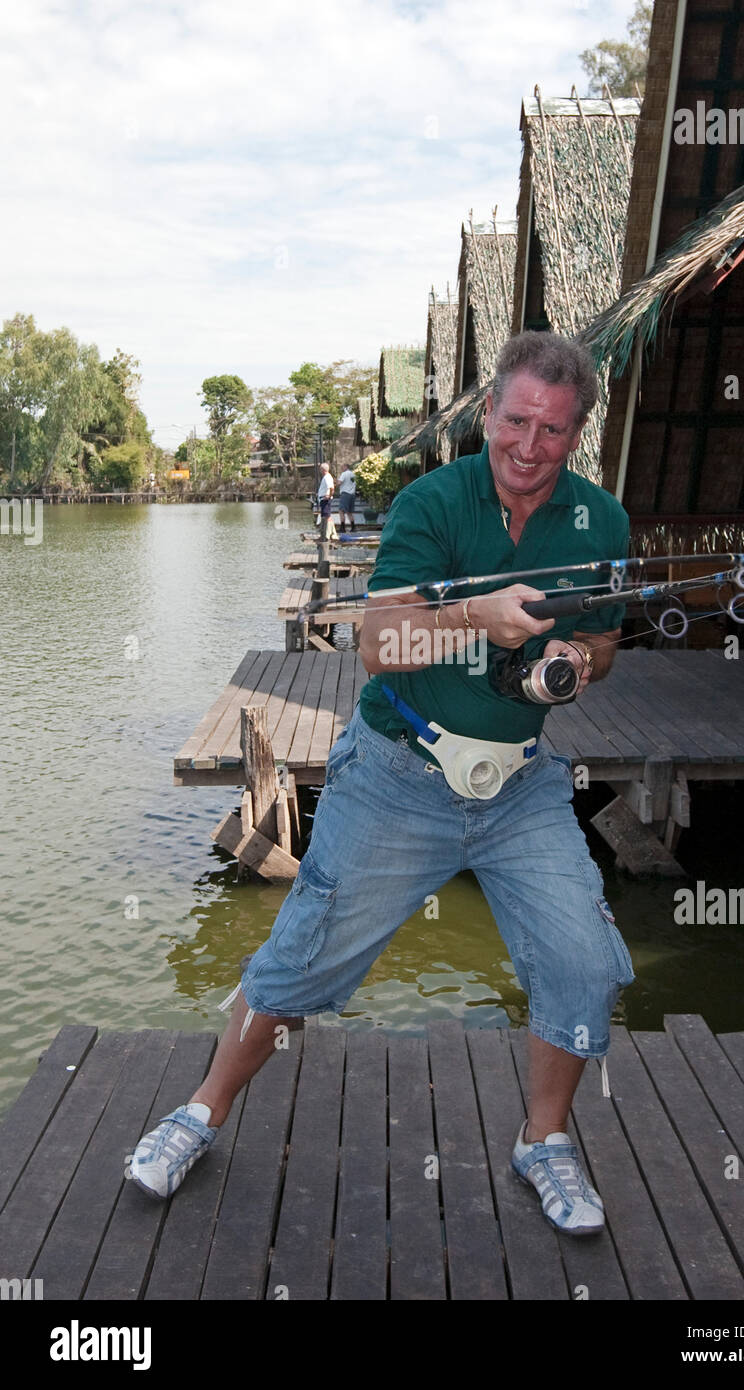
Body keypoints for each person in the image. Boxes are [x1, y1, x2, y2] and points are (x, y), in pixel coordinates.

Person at [129, 331, 634, 1235]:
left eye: (554, 431)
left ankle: (543, 1140)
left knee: (585, 964)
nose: (530, 445)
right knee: (297, 965)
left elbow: (602, 641)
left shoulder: (602, 521)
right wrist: (481, 614)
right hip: (399, 773)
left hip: (521, 788)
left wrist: (574, 656)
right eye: (516, 421)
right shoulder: (434, 502)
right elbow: (378, 644)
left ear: (577, 434)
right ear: (489, 415)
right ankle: (199, 1110)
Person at [315, 461, 335, 541]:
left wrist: (329, 496)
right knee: (324, 516)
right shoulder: (326, 477)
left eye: (320, 469)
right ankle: (325, 533)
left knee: (327, 516)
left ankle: (328, 534)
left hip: (325, 500)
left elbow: (332, 488)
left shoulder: (327, 477)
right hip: (323, 499)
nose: (320, 471)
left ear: (323, 469)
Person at [337, 465, 356, 532]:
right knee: (349, 512)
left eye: (342, 467)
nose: (341, 469)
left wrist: (336, 482)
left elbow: (339, 483)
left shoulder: (344, 474)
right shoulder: (353, 474)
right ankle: (353, 527)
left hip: (345, 494)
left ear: (345, 467)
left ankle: (342, 528)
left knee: (341, 510)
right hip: (352, 494)